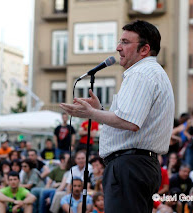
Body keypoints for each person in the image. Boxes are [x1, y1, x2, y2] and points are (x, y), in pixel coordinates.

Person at [60, 20, 174, 212]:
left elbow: (130, 122)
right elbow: (130, 121)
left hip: (129, 166)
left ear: (144, 49)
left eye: (125, 42)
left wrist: (92, 113)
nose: (118, 47)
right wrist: (101, 112)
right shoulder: (151, 72)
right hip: (137, 165)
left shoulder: (141, 74)